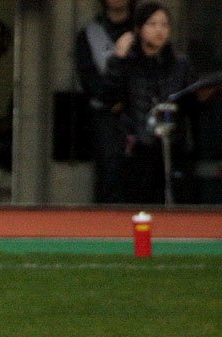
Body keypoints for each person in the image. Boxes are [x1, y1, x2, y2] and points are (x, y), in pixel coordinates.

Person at [102, 2, 200, 205]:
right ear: (139, 29)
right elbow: (108, 96)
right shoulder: (127, 63)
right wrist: (118, 59)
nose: (159, 30)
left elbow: (194, 105)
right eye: (152, 24)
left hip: (173, 148)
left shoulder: (180, 65)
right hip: (137, 148)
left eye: (164, 25)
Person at [75, 0, 135, 204]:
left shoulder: (143, 29)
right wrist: (111, 101)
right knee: (109, 171)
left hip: (139, 113)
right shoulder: (90, 34)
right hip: (104, 114)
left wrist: (129, 101)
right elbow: (87, 77)